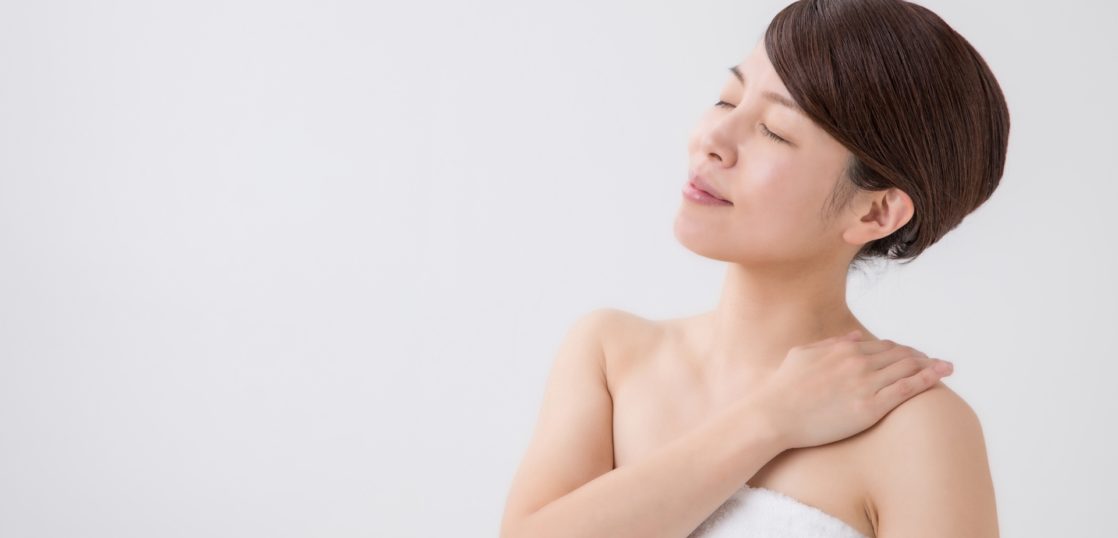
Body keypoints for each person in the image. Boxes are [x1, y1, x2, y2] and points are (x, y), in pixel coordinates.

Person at [499, 0, 1009, 536]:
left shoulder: (917, 429)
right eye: (727, 99)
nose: (712, 141)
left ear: (875, 212)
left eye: (774, 131)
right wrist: (771, 417)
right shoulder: (610, 355)